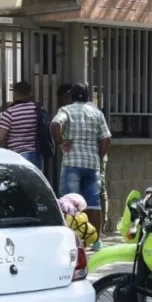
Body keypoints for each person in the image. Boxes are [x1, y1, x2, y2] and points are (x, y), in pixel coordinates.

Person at [51, 83, 111, 251]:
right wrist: (98, 156)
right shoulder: (97, 113)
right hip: (92, 164)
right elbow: (106, 138)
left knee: (70, 203)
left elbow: (55, 125)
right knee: (94, 203)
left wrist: (60, 142)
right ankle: (97, 241)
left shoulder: (66, 111)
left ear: (71, 96)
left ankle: (73, 241)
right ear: (87, 97)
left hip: (72, 164)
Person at [0, 80, 41, 169]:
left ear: (15, 93)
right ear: (29, 94)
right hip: (37, 155)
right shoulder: (37, 109)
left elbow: (0, 138)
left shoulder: (10, 112)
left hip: (18, 155)